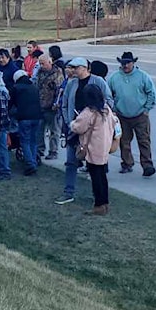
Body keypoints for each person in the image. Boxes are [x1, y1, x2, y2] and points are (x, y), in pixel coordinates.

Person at [56, 57, 113, 206]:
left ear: (85, 68)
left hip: (94, 131)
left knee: (96, 166)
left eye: (76, 67)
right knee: (71, 161)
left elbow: (108, 101)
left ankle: (99, 197)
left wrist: (95, 116)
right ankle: (68, 192)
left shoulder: (98, 81)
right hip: (75, 128)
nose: (73, 70)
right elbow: (65, 103)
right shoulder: (71, 83)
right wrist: (69, 122)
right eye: (72, 67)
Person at [107, 51, 156, 177]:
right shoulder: (114, 77)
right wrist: (113, 110)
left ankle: (147, 165)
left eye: (128, 63)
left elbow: (151, 93)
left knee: (144, 140)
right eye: (123, 63)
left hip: (140, 114)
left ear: (133, 63)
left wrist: (147, 109)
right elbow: (109, 95)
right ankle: (127, 163)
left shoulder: (142, 76)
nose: (125, 66)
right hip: (121, 115)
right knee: (124, 141)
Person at [70, 84, 117, 216]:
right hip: (104, 146)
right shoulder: (106, 109)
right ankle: (105, 203)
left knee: (95, 178)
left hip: (92, 148)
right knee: (102, 176)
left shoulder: (89, 112)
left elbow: (78, 127)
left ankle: (99, 206)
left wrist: (72, 123)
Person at [12, 69, 42, 176]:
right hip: (37, 117)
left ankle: (30, 164)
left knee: (25, 141)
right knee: (33, 141)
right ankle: (33, 161)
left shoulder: (16, 88)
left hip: (24, 118)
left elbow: (12, 103)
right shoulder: (34, 87)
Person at [36, 54, 63, 161]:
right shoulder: (39, 73)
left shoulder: (57, 73)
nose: (41, 66)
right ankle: (40, 149)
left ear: (50, 62)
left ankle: (53, 151)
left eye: (43, 63)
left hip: (52, 107)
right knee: (39, 130)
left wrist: (56, 103)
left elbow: (60, 90)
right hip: (40, 105)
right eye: (40, 63)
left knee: (54, 131)